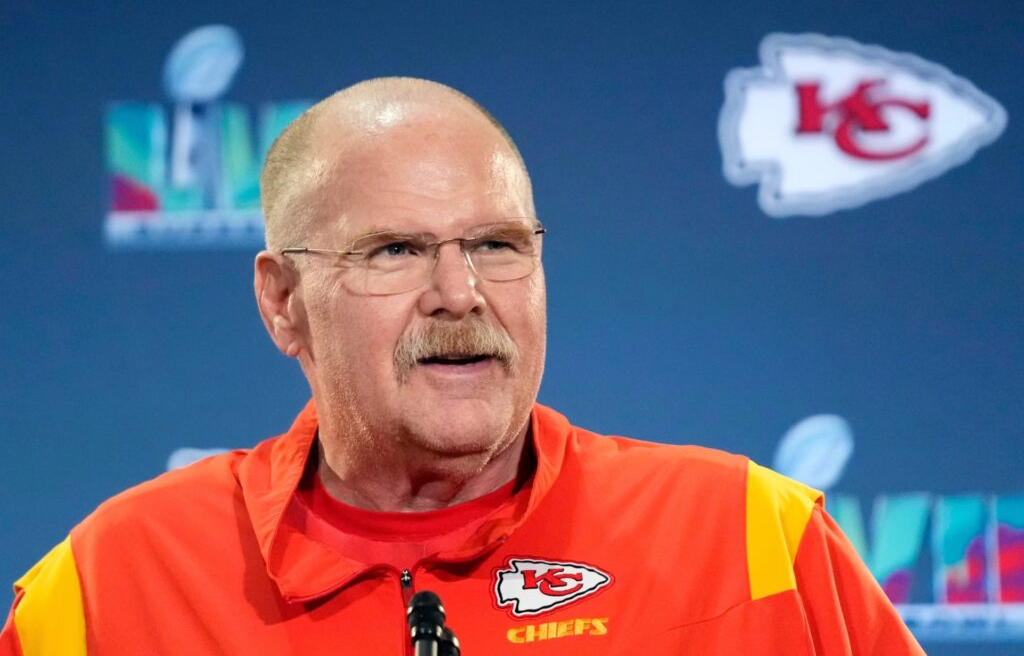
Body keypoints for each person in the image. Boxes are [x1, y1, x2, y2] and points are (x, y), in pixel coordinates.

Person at [0, 78, 924, 655]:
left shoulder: (753, 541)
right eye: (395, 250)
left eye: (496, 243)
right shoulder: (109, 586)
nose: (460, 292)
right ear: (283, 301)